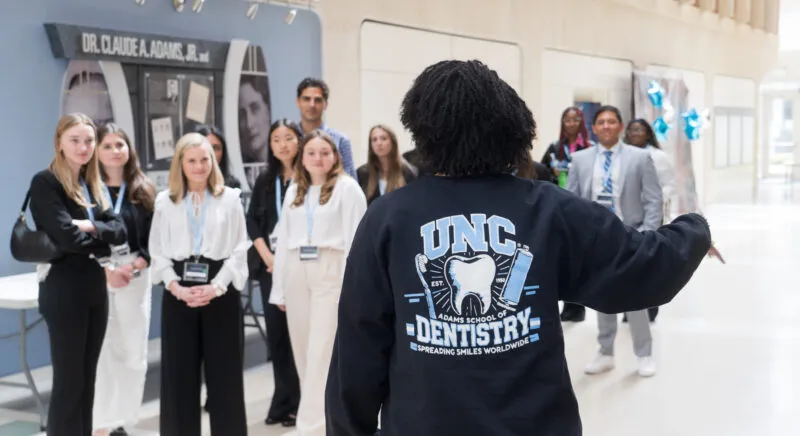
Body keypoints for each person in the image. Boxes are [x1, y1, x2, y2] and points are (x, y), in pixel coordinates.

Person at [325, 60, 720, 435]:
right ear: (510, 129)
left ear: (422, 129)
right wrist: (694, 229)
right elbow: (642, 268)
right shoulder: (548, 209)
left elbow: (358, 344)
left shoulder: (388, 218)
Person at [29, 113, 128, 436]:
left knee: (87, 379)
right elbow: (64, 236)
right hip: (63, 290)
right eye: (75, 140)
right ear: (59, 142)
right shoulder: (46, 183)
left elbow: (120, 230)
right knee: (69, 383)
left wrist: (89, 226)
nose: (83, 147)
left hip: (92, 289)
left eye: (88, 140)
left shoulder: (91, 185)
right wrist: (100, 245)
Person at [148, 133, 250, 436]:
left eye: (204, 159)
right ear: (180, 162)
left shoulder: (230, 198)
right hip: (178, 291)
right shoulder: (164, 202)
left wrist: (217, 287)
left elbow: (240, 248)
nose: (199, 166)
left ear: (213, 160)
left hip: (220, 289)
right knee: (178, 378)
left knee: (225, 376)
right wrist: (176, 287)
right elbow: (157, 252)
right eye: (191, 160)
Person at [269, 130, 367, 436]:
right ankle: (319, 418)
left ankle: (311, 427)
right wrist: (278, 288)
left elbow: (357, 239)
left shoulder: (348, 188)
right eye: (311, 152)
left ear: (335, 156)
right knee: (302, 349)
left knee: (322, 351)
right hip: (297, 269)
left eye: (325, 152)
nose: (318, 158)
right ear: (302, 157)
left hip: (331, 269)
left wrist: (354, 287)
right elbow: (283, 240)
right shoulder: (294, 190)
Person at [566, 106, 664, 377]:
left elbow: (653, 199)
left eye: (611, 121)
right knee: (602, 295)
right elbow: (570, 200)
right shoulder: (580, 160)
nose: (606, 126)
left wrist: (647, 235)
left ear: (620, 126)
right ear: (594, 128)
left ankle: (644, 354)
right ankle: (605, 352)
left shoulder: (640, 158)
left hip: (630, 234)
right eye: (601, 122)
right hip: (595, 238)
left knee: (636, 298)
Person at [92, 124, 156, 436]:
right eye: (107, 145)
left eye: (121, 144)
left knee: (133, 352)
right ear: (96, 151)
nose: (115, 150)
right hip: (99, 275)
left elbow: (154, 239)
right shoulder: (87, 191)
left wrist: (140, 261)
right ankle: (101, 423)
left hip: (135, 276)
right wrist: (106, 268)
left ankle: (123, 420)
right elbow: (79, 237)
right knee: (102, 352)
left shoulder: (143, 191)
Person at [246, 119, 303, 427]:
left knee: (299, 335)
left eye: (289, 138)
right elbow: (252, 221)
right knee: (278, 336)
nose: (283, 144)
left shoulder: (309, 178)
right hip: (271, 268)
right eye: (276, 139)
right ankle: (282, 399)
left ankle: (299, 402)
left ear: (299, 141)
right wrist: (268, 256)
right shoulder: (266, 180)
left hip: (300, 267)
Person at [541, 106, 594, 322]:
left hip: (581, 207)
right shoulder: (554, 148)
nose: (570, 123)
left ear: (581, 122)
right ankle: (565, 305)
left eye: (575, 119)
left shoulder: (590, 149)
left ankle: (578, 305)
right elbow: (540, 174)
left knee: (579, 256)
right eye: (567, 120)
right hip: (557, 206)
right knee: (560, 256)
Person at [624, 118, 676, 323]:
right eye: (632, 130)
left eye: (640, 130)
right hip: (628, 217)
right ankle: (628, 308)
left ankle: (650, 307)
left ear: (648, 134)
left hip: (651, 217)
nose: (635, 133)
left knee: (648, 266)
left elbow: (666, 186)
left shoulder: (658, 156)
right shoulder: (622, 155)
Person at [295, 78, 357, 179]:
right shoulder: (289, 140)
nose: (312, 105)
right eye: (306, 99)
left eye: (318, 100)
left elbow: (351, 181)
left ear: (325, 105)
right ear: (298, 102)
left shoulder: (341, 141)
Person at [356, 124, 417, 205]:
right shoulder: (362, 173)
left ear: (393, 142)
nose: (379, 143)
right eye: (374, 140)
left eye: (383, 138)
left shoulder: (408, 172)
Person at [196, 124, 243, 189]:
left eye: (216, 148)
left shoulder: (232, 187)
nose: (211, 152)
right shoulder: (182, 186)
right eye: (206, 147)